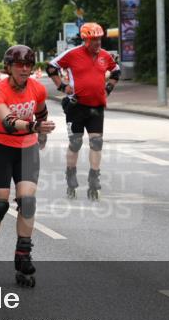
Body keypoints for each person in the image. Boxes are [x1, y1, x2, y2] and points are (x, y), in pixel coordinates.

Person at [0, 45, 55, 287]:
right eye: (20, 65)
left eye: (29, 65)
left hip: (26, 149)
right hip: (0, 147)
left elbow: (41, 111)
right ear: (8, 67)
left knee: (27, 202)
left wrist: (41, 134)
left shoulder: (37, 88)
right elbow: (8, 122)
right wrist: (33, 127)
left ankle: (23, 258)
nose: (25, 69)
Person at [46, 22, 120, 200]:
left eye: (99, 39)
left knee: (96, 143)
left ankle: (94, 179)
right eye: (93, 40)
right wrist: (63, 87)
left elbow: (116, 71)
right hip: (76, 106)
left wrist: (108, 89)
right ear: (85, 40)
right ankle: (71, 175)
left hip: (96, 107)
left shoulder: (104, 56)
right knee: (76, 143)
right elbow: (51, 67)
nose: (97, 43)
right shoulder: (72, 54)